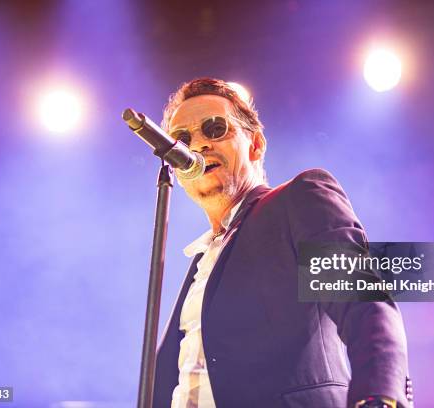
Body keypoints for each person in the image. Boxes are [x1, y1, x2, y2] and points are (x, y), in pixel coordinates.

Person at [152, 78, 412, 408]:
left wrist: (378, 398)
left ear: (256, 145)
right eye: (183, 139)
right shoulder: (200, 265)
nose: (198, 145)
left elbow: (365, 303)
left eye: (215, 128)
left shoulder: (297, 201)